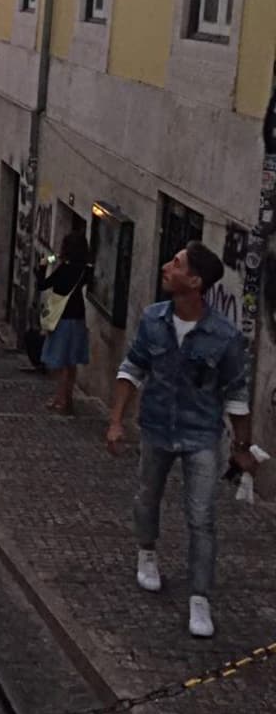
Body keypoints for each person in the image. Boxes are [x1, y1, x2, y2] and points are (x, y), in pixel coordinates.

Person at [106, 241, 256, 639]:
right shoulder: (153, 319)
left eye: (176, 264)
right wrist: (116, 420)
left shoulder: (223, 336)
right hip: (156, 426)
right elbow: (133, 368)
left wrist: (242, 449)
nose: (165, 267)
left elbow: (237, 394)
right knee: (147, 497)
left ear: (195, 281)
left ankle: (199, 598)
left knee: (202, 518)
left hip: (201, 434)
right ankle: (147, 553)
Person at [36, 227, 92, 416]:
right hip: (78, 318)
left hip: (62, 318)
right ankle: (66, 399)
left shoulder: (64, 269)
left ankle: (61, 400)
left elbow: (43, 285)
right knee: (71, 363)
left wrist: (44, 265)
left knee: (61, 364)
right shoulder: (85, 269)